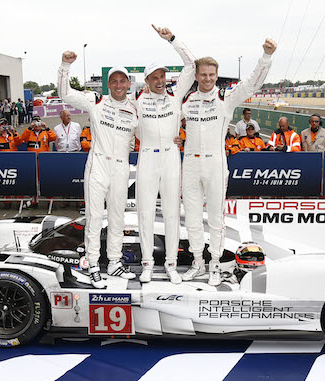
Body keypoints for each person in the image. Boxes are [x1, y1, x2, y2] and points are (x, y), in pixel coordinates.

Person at [180, 37, 276, 286]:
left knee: (215, 218)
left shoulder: (227, 98)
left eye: (212, 74)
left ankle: (214, 265)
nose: (208, 78)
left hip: (215, 162)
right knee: (191, 218)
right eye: (203, 74)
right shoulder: (187, 101)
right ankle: (197, 263)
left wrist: (265, 56)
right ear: (197, 76)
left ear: (216, 75)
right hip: (190, 162)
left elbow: (253, 83)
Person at [59, 50, 138, 285]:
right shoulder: (95, 101)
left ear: (128, 84)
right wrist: (65, 65)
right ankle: (92, 265)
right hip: (98, 164)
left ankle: (114, 263)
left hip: (122, 166)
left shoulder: (135, 108)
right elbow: (64, 93)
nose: (118, 85)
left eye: (122, 81)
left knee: (117, 218)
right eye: (113, 81)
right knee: (94, 217)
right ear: (108, 84)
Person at [134, 25, 195, 284]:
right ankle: (147, 263)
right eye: (154, 77)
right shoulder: (137, 101)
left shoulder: (175, 96)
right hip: (147, 155)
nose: (159, 81)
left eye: (162, 76)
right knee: (145, 212)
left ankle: (171, 264)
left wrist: (171, 39)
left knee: (172, 212)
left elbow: (191, 65)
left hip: (171, 155)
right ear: (147, 81)